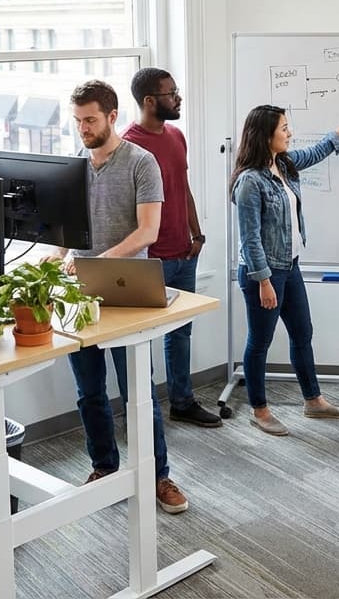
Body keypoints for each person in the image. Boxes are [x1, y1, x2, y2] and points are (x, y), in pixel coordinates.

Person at [60, 79, 188, 514]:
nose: (83, 128)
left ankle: (158, 476)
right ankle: (104, 469)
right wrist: (53, 257)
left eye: (90, 120)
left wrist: (98, 261)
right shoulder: (73, 166)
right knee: (89, 391)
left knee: (139, 392)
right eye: (77, 121)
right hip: (79, 295)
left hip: (127, 290)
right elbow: (62, 232)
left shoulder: (141, 162)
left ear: (112, 116)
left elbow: (147, 232)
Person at [231, 103, 339, 435]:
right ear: (265, 135)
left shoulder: (284, 165)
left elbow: (317, 152)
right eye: (283, 128)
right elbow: (250, 239)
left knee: (302, 333)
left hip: (289, 267)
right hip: (262, 274)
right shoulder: (250, 181)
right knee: (260, 341)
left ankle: (313, 401)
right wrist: (264, 280)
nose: (289, 133)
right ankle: (260, 410)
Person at [123, 67, 221, 428]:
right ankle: (144, 412)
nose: (178, 98)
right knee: (144, 340)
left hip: (185, 252)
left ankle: (182, 400)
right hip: (151, 260)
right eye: (171, 93)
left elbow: (184, 186)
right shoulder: (128, 146)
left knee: (181, 333)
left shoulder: (177, 135)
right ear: (149, 101)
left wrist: (197, 234)